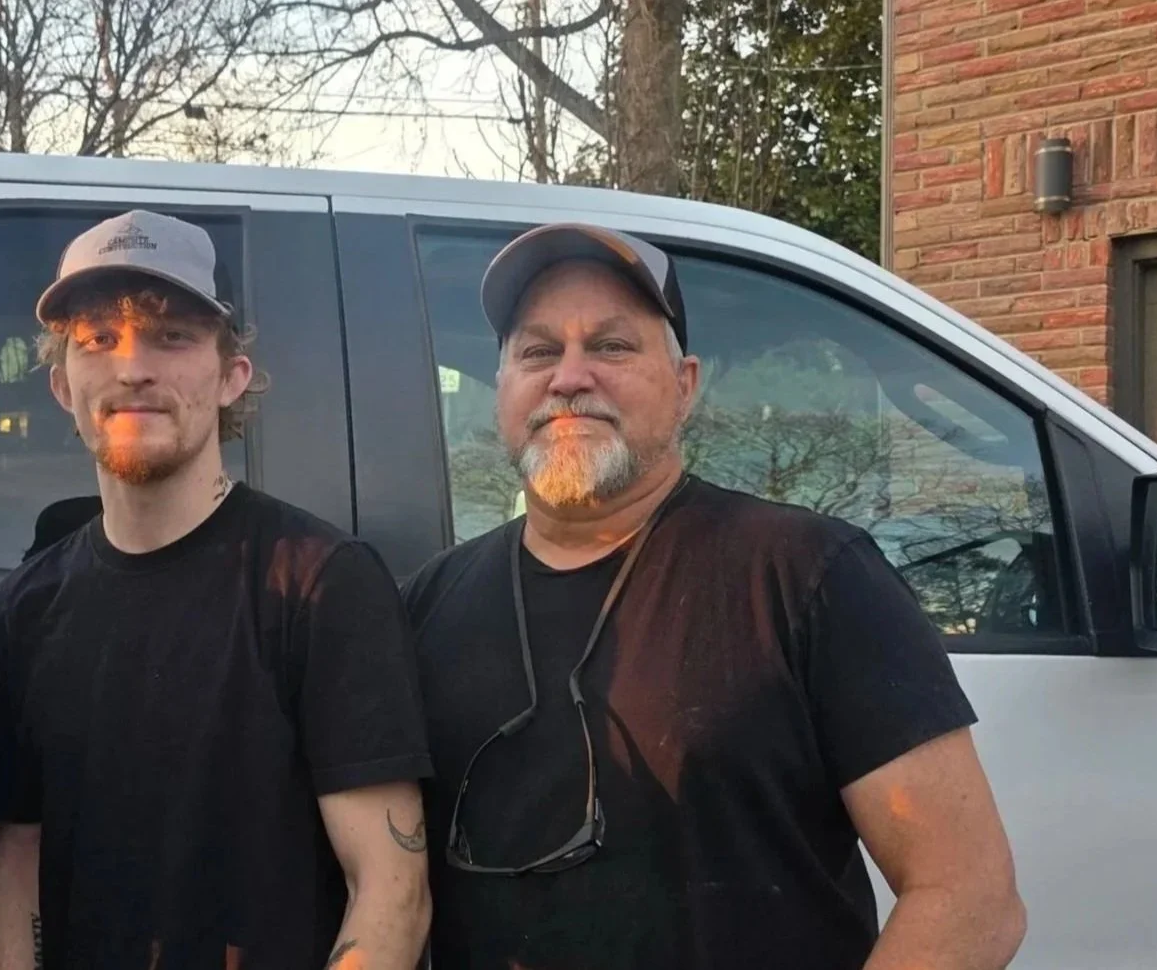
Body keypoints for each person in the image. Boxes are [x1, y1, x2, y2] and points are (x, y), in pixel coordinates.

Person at [401, 224, 1028, 970]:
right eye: (537, 351)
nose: (569, 377)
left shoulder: (808, 575)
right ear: (501, 388)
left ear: (684, 386)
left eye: (611, 346)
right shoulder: (425, 607)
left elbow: (969, 897)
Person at [0, 210, 433, 970]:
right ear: (61, 384)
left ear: (231, 377)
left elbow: (390, 881)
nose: (132, 369)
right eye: (98, 340)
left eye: (171, 336)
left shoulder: (322, 582)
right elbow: (17, 858)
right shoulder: (23, 609)